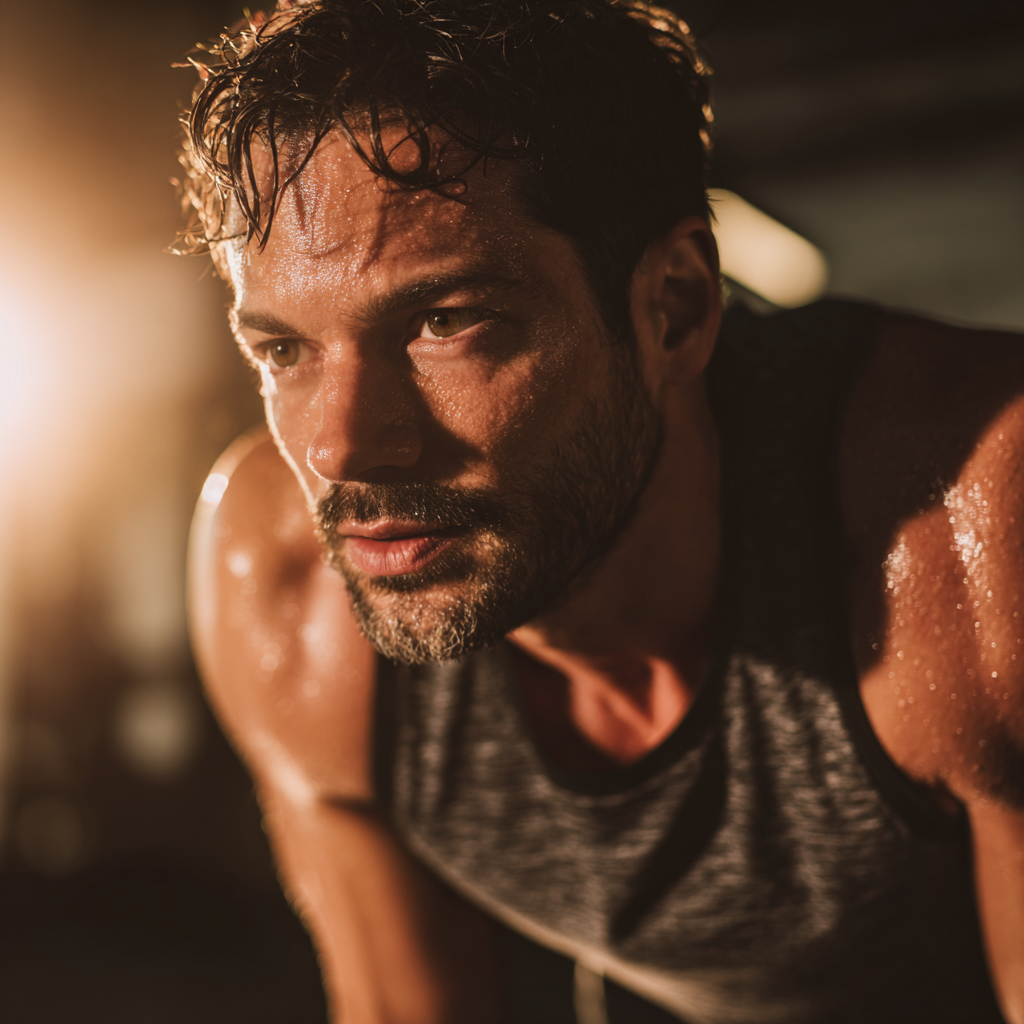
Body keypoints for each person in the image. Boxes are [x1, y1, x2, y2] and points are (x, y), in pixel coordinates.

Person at [182, 2, 1024, 1021]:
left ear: (672, 307)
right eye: (283, 351)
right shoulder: (287, 585)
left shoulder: (970, 528)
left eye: (445, 321)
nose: (340, 446)